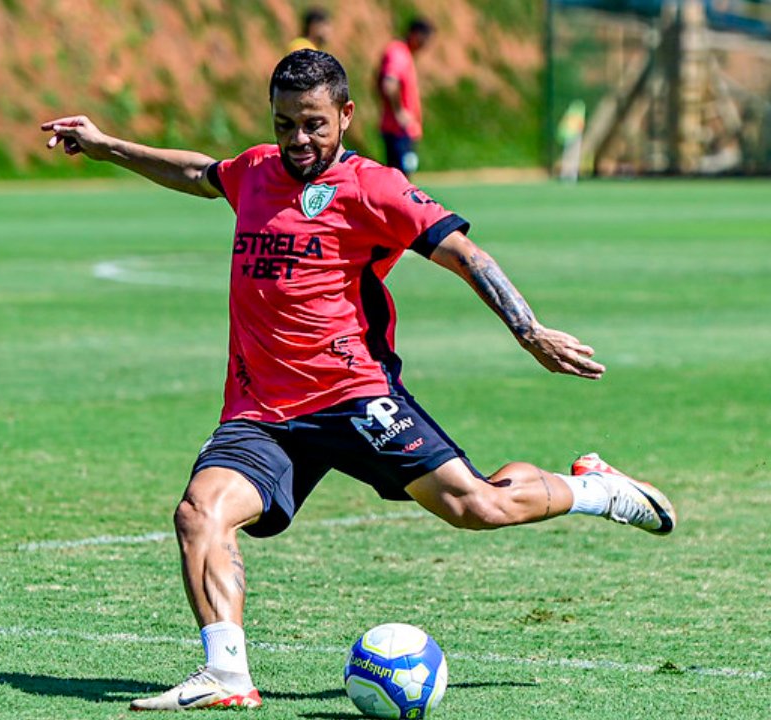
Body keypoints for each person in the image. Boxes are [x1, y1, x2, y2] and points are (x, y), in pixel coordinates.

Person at [41, 50, 676, 712]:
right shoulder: (255, 172)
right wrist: (107, 146)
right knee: (199, 512)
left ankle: (595, 489)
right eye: (284, 123)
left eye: (313, 124)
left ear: (345, 115)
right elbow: (199, 172)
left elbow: (465, 253)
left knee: (477, 507)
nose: (298, 139)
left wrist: (528, 329)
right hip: (261, 411)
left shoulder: (376, 187)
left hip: (354, 395)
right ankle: (227, 673)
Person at [377, 18, 433, 176]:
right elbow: (389, 84)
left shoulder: (404, 53)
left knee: (402, 176)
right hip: (398, 130)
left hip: (403, 130)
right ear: (416, 35)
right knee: (400, 178)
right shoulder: (398, 53)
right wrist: (399, 112)